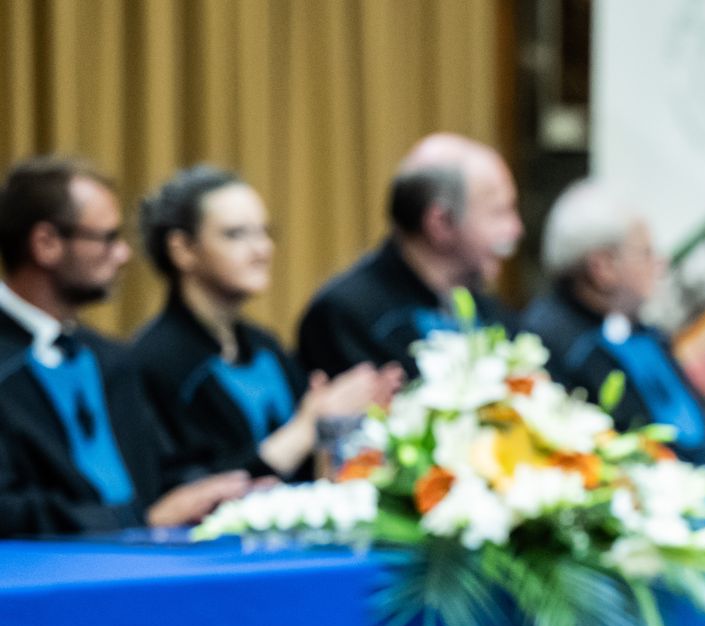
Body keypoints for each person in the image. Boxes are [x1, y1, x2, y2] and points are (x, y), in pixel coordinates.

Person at [0, 156, 250, 535]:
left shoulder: (110, 358)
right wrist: (135, 520)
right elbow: (8, 509)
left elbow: (159, 471)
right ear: (46, 243)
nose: (123, 255)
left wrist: (223, 494)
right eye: (107, 238)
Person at [129, 165, 401, 481]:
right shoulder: (154, 362)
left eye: (264, 232)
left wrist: (344, 419)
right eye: (236, 234)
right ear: (183, 250)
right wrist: (308, 426)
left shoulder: (265, 346)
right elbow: (188, 488)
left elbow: (311, 466)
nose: (262, 250)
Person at [519, 179, 705, 479]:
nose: (660, 264)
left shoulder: (642, 331)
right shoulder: (552, 346)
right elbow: (622, 457)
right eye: (646, 253)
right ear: (603, 267)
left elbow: (694, 425)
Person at [297, 133, 521, 379]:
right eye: (499, 212)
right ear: (441, 223)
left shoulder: (485, 309)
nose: (516, 230)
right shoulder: (346, 316)